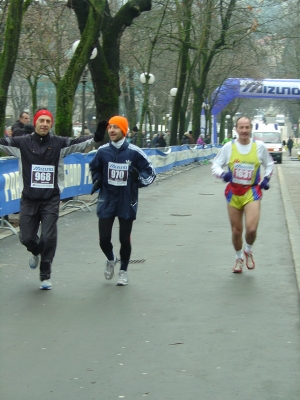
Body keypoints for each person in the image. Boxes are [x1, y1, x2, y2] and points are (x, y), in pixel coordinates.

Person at [0, 108, 106, 290]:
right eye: (41, 121)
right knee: (26, 238)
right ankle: (35, 251)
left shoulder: (59, 143)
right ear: (35, 123)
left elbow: (78, 143)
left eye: (48, 121)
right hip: (29, 198)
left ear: (51, 124)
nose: (44, 124)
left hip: (50, 199)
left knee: (48, 237)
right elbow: (2, 143)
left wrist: (96, 136)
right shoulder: (21, 143)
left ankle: (45, 274)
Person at [89, 116, 156, 286]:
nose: (111, 130)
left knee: (124, 239)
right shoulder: (103, 151)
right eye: (110, 127)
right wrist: (97, 179)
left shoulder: (134, 152)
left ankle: (123, 271)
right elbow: (94, 167)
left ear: (124, 130)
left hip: (127, 200)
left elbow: (151, 173)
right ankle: (111, 259)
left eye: (116, 127)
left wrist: (138, 178)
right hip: (107, 199)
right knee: (104, 239)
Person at [211, 116, 274, 273]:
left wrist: (266, 178)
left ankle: (248, 250)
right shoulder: (228, 147)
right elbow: (215, 165)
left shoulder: (259, 147)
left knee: (251, 229)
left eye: (247, 127)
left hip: (252, 191)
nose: (244, 130)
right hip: (234, 193)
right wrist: (223, 175)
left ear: (251, 128)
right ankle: (239, 258)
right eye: (241, 127)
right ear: (236, 129)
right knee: (236, 231)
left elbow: (270, 164)